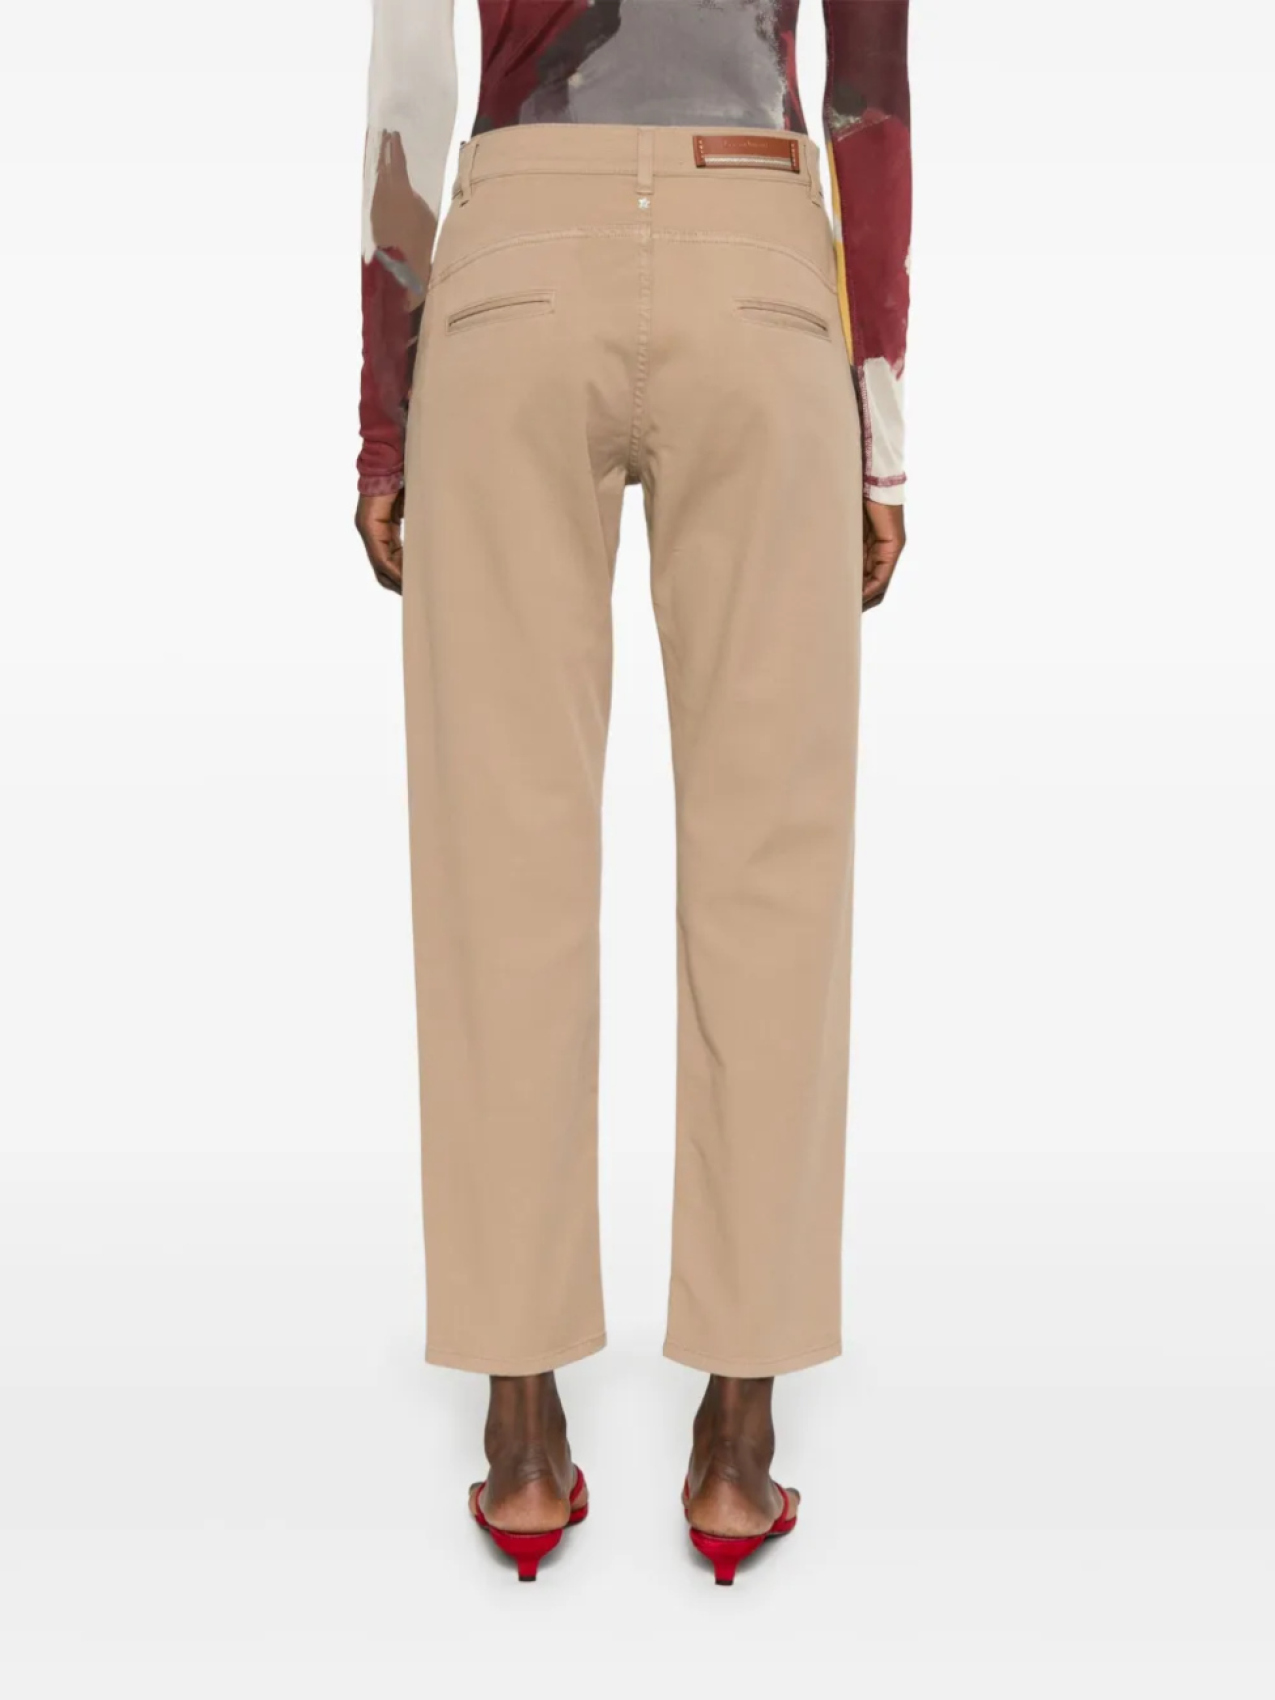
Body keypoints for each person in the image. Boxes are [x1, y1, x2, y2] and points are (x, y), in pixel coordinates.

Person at [353, 0, 910, 1584]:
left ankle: (522, 1436)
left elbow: (411, 83)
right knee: (772, 865)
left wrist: (388, 420)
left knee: (498, 860)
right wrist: (877, 429)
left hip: (516, 261)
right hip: (760, 253)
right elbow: (870, 91)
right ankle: (738, 1443)